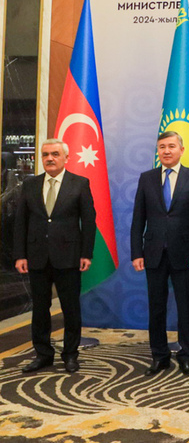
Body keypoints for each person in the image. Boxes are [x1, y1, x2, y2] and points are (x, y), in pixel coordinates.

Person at [131, 131, 189, 376]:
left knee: (186, 307)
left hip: (185, 254)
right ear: (158, 151)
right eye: (162, 146)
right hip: (153, 253)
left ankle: (187, 355)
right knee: (156, 307)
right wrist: (136, 252)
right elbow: (138, 219)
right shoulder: (146, 178)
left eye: (171, 146)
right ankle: (159, 355)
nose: (166, 151)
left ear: (181, 150)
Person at [14, 138, 95, 373]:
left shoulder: (79, 183)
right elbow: (21, 222)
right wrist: (20, 255)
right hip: (36, 256)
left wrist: (86, 253)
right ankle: (43, 354)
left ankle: (70, 354)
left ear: (66, 157)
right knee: (40, 309)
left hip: (69, 257)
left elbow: (89, 221)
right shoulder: (30, 184)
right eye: (45, 154)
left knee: (70, 309)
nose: (50, 158)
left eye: (55, 154)